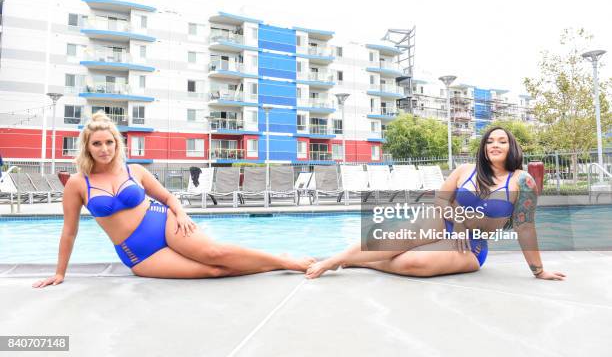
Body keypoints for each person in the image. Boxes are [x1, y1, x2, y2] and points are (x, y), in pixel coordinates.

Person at [33, 111, 314, 288]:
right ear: (87, 147)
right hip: (138, 252)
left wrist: (180, 214)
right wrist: (60, 273)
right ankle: (280, 261)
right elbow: (69, 231)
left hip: (163, 220)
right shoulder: (77, 183)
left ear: (117, 144)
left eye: (110, 142)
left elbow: (168, 196)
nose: (104, 148)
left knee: (214, 254)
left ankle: (286, 261)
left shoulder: (135, 171)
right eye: (97, 143)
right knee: (213, 272)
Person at [306, 127, 566, 281]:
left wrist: (539, 271)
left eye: (502, 141)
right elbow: (440, 198)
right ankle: (334, 260)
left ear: (512, 148)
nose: (494, 145)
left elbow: (526, 228)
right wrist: (461, 221)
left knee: (413, 263)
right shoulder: (466, 170)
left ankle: (362, 261)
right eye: (489, 141)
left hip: (471, 245)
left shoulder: (523, 181)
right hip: (443, 222)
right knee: (394, 239)